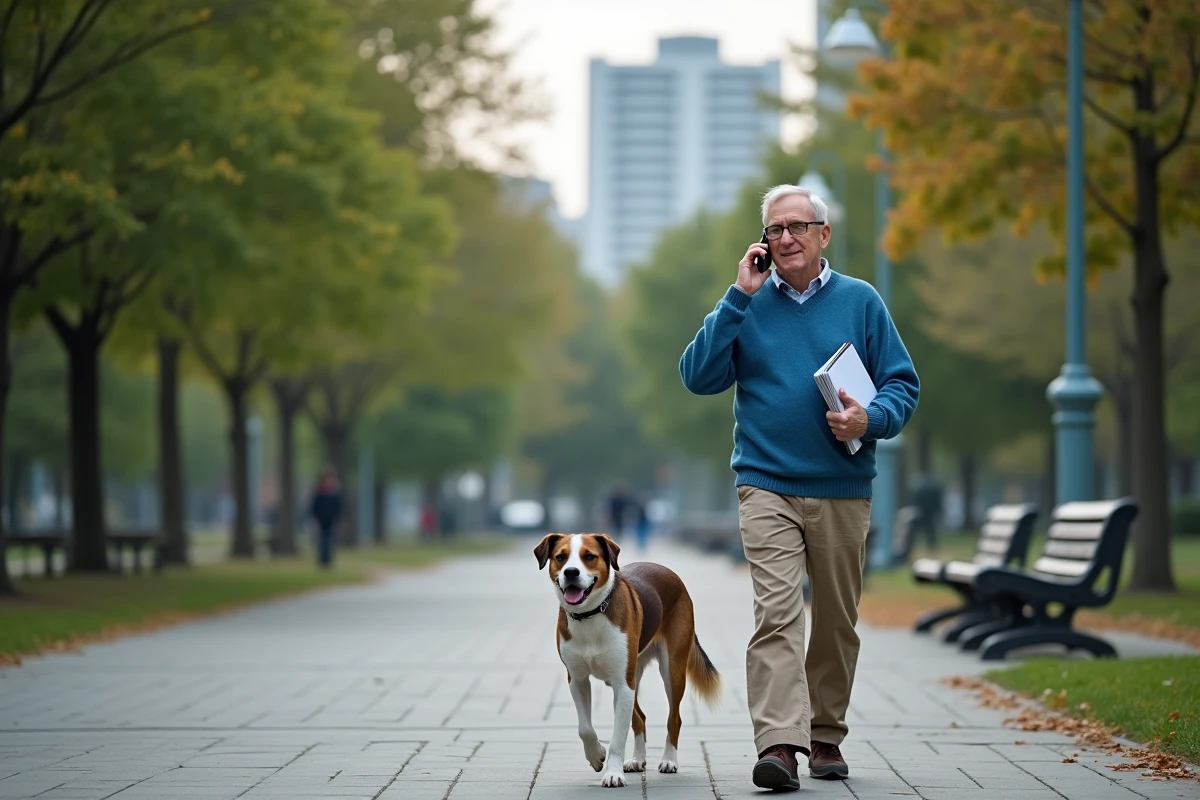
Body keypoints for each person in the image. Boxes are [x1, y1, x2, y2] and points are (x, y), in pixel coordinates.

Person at [679, 185, 919, 791]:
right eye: (776, 229)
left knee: (837, 620)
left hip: (843, 484)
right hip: (766, 482)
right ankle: (779, 745)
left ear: (823, 234)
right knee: (778, 615)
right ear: (763, 242)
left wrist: (870, 420)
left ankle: (825, 736)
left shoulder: (861, 302)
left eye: (799, 227)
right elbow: (697, 376)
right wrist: (737, 297)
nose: (787, 238)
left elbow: (901, 385)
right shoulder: (748, 303)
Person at [309, 466, 343, 568]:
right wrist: (314, 516)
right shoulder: (320, 489)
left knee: (329, 538)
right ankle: (322, 560)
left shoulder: (335, 490)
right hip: (321, 518)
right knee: (322, 538)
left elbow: (339, 506)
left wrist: (339, 517)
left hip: (331, 519)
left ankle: (328, 560)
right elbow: (314, 505)